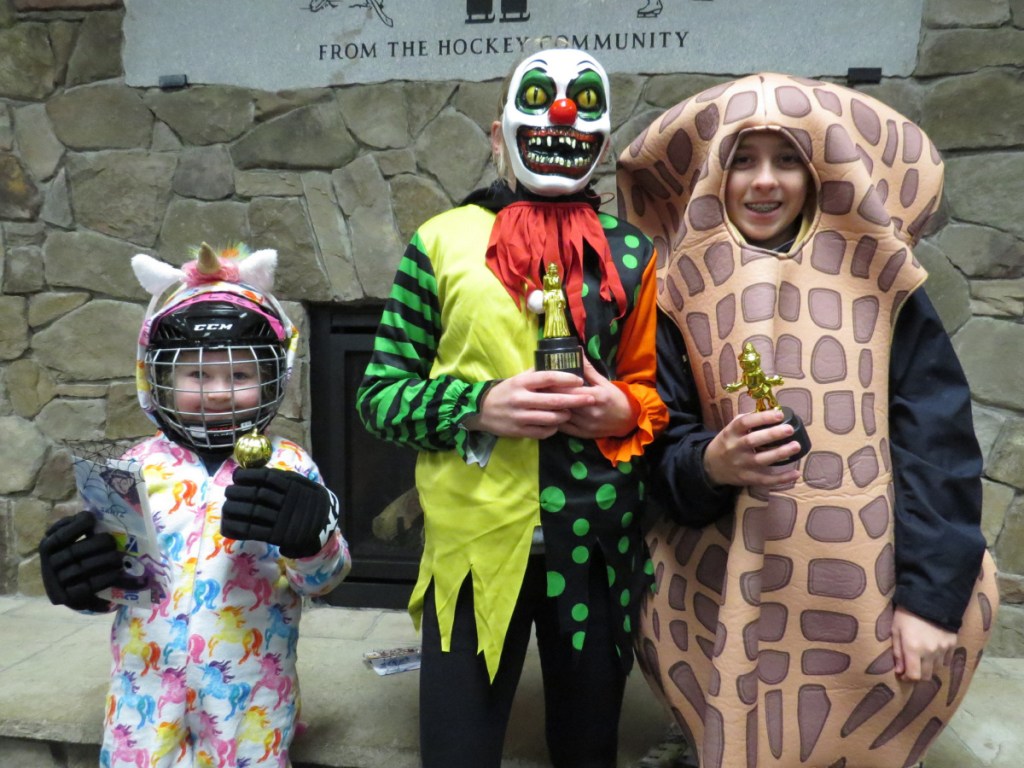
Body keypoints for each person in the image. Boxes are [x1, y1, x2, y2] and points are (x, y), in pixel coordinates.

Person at [617, 73, 999, 768]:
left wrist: (931, 600)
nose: (765, 182)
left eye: (787, 158)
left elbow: (937, 446)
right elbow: (657, 447)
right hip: (726, 595)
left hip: (865, 598)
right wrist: (711, 463)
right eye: (743, 159)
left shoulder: (885, 289)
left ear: (819, 169)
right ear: (713, 172)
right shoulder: (674, 293)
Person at [357, 47, 668, 768]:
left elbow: (657, 399)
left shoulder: (630, 254)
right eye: (541, 96)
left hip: (596, 550)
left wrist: (620, 410)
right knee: (458, 751)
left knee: (589, 750)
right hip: (474, 548)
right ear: (499, 133)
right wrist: (479, 404)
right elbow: (377, 397)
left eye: (583, 102)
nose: (562, 113)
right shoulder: (438, 241)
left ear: (605, 137)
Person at [38, 242, 350, 768]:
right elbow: (120, 582)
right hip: (143, 701)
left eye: (240, 376)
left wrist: (314, 539)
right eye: (197, 376)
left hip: (251, 701)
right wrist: (84, 585)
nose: (219, 393)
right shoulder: (133, 467)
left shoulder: (291, 466)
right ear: (158, 377)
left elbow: (323, 578)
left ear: (274, 374)